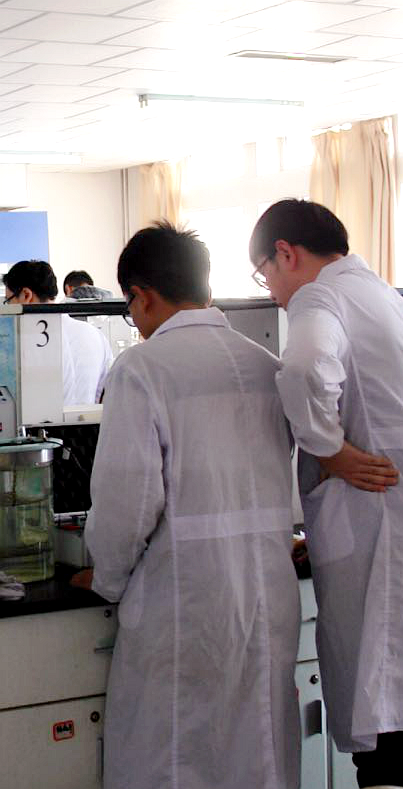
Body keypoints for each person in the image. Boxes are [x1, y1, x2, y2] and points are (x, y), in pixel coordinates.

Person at [69, 222, 302, 789]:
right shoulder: (265, 365)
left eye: (131, 308)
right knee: (259, 751)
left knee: (173, 757)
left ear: (141, 296)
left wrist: (107, 577)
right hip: (268, 593)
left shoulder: (142, 368)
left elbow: (127, 503)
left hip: (183, 600)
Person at [249, 199, 403, 789]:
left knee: (387, 729)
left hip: (383, 531)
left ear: (286, 254)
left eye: (265, 274)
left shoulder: (320, 297)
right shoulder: (385, 298)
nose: (273, 293)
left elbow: (304, 369)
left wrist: (328, 449)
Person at [3, 259, 112, 404]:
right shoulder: (96, 335)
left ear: (26, 295)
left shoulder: (22, 342)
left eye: (8, 301)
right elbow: (104, 394)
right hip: (89, 419)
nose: (8, 308)